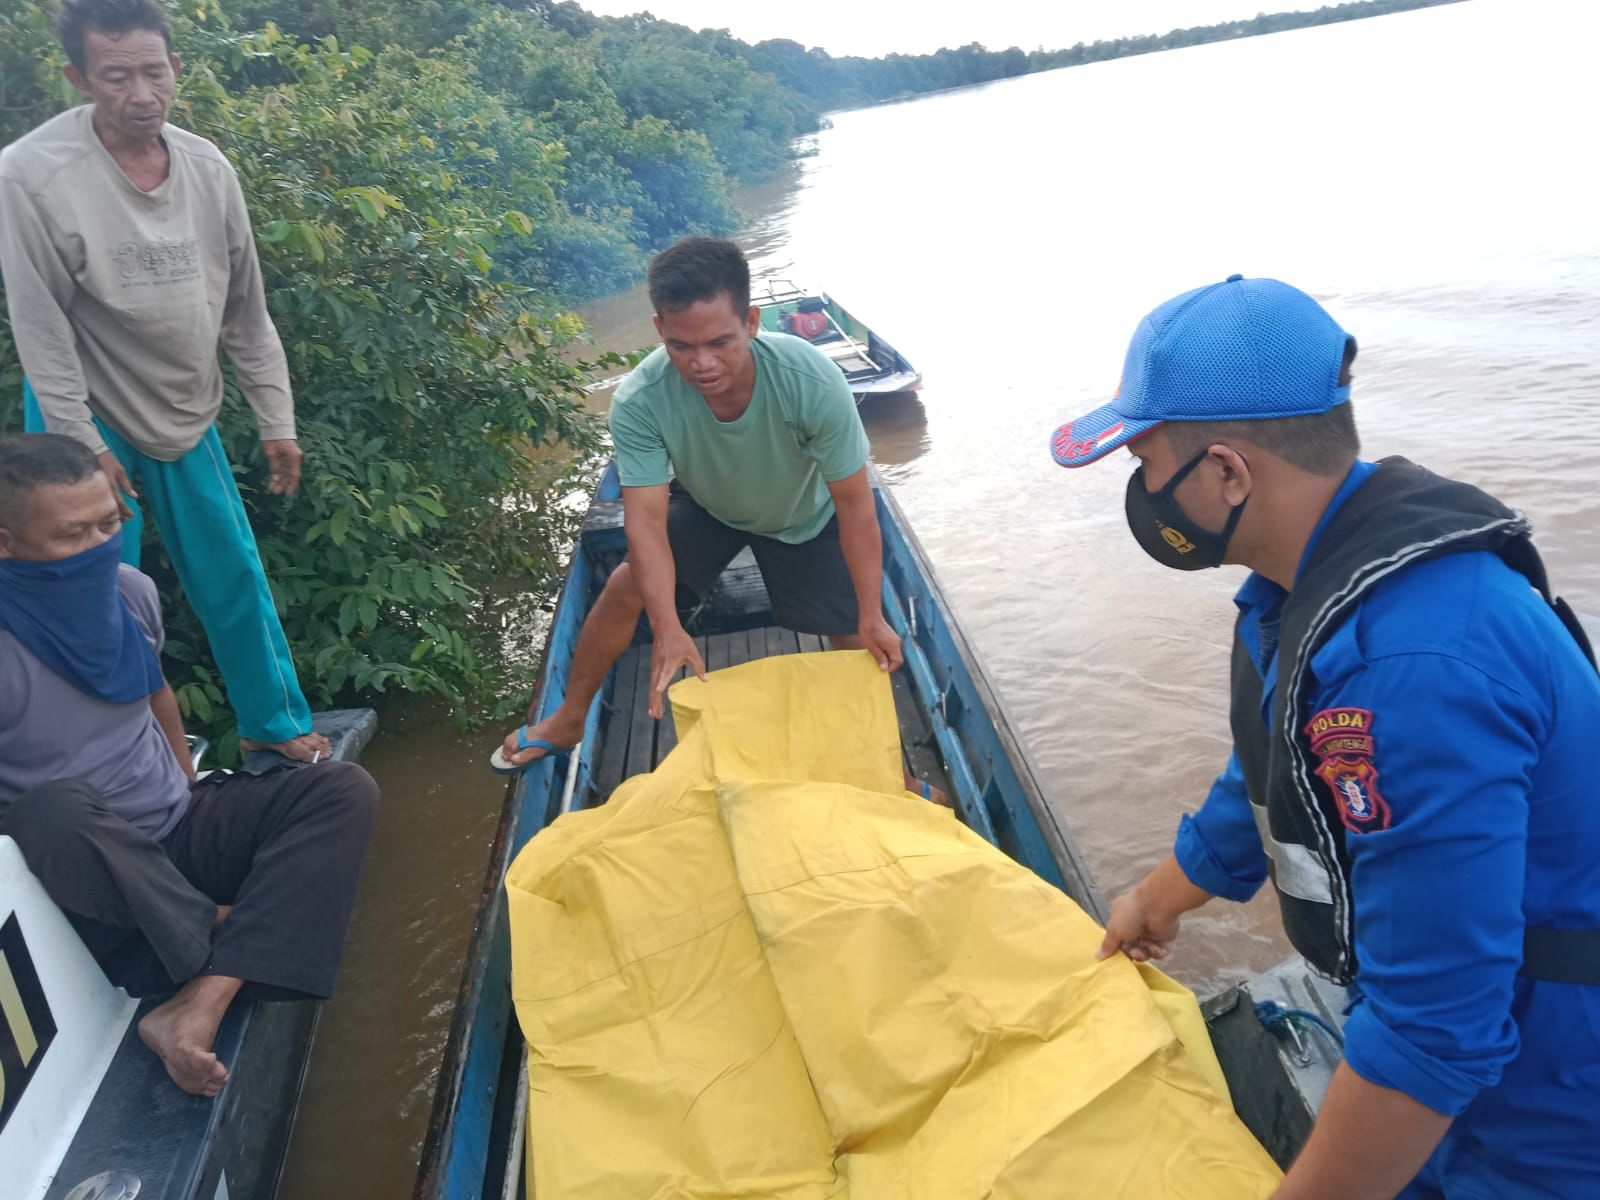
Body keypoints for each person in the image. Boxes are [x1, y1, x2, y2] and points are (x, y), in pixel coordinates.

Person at [1052, 274, 1600, 1199]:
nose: (1143, 496)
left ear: (1228, 472)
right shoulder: (1308, 585)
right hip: (1472, 1033)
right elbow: (1270, 779)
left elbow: (1435, 1032)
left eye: (1146, 465)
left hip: (1547, 1083)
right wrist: (1160, 897)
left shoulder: (1413, 665)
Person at [0, 433, 378, 1097]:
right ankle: (235, 930)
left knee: (340, 789)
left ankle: (198, 997)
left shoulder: (126, 592)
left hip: (178, 828)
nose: (98, 547)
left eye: (109, 524)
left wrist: (186, 782)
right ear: (5, 542)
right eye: (71, 534)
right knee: (52, 808)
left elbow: (155, 693)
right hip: (99, 877)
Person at [496, 238, 940, 801]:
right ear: (659, 329)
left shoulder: (811, 381)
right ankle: (567, 719)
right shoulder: (641, 399)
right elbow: (646, 523)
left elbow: (854, 504)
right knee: (625, 584)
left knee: (858, 641)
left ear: (751, 321)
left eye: (719, 342)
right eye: (681, 346)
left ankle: (890, 776)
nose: (701, 363)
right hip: (712, 505)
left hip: (803, 512)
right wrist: (667, 626)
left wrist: (874, 612)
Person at [0, 0, 327, 761]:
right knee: (92, 594)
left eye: (154, 71)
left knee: (232, 574)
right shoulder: (30, 175)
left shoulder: (209, 168)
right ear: (79, 77)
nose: (140, 92)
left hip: (184, 407)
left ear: (177, 69)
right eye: (116, 76)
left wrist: (275, 419)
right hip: (84, 411)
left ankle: (272, 728)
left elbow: (247, 311)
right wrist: (83, 448)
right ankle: (115, 757)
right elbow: (39, 325)